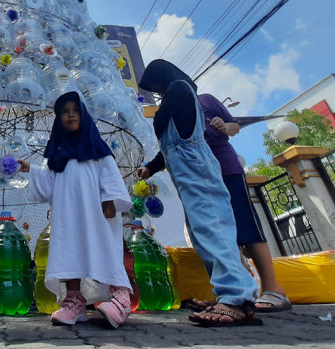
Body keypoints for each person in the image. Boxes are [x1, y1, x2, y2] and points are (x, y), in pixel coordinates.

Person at [137, 59, 261, 327]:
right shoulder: (174, 100)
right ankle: (228, 295)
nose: (156, 93)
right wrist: (150, 167)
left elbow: (158, 123)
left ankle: (236, 299)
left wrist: (153, 111)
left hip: (198, 172)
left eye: (155, 86)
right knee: (203, 234)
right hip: (188, 176)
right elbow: (166, 145)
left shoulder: (180, 89)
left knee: (213, 229)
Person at [18, 91, 133, 328]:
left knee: (105, 249)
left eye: (74, 111)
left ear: (83, 115)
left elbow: (110, 176)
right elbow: (48, 183)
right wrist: (28, 169)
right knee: (68, 252)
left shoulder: (97, 149)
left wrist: (111, 200)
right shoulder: (57, 157)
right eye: (64, 112)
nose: (70, 116)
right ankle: (74, 302)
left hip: (98, 214)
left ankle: (121, 299)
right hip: (68, 217)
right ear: (58, 119)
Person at [196, 93, 291, 313]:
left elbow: (234, 126)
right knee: (220, 235)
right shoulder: (174, 110)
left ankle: (274, 288)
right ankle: (235, 293)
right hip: (202, 177)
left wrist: (223, 126)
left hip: (226, 169)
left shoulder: (205, 100)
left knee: (245, 226)